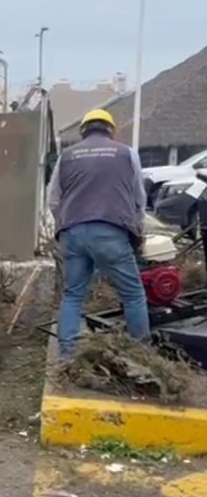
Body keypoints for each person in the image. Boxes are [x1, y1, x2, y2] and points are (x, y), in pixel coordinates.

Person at [47, 108, 150, 358]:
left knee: (72, 295)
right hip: (111, 231)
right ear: (110, 130)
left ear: (83, 130)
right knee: (133, 295)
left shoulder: (67, 156)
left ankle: (66, 356)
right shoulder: (127, 153)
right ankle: (141, 353)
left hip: (72, 233)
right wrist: (137, 227)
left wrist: (66, 224)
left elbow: (53, 200)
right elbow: (139, 197)